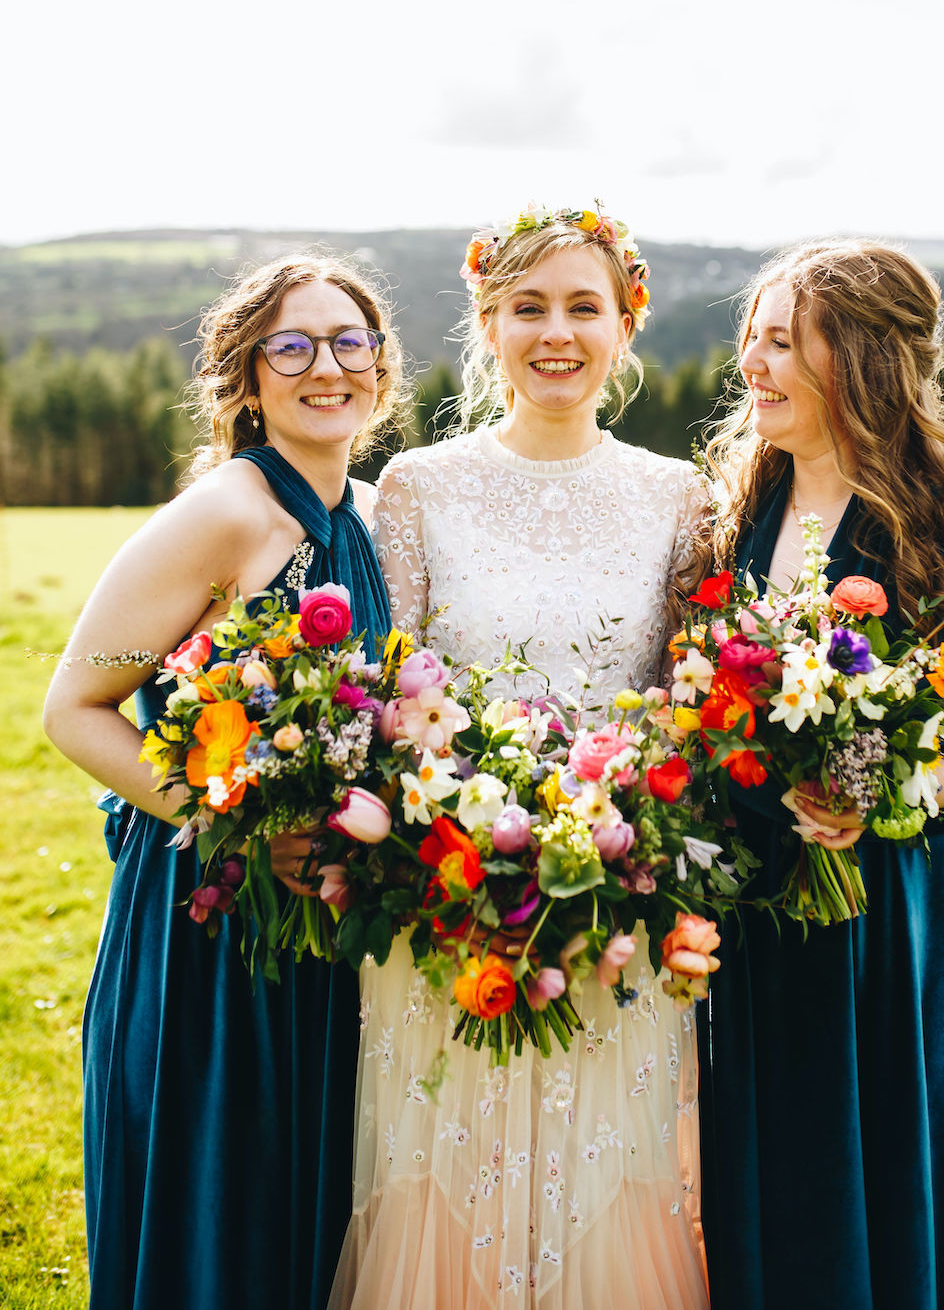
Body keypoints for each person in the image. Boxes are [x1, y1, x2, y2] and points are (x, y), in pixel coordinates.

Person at [329, 206, 711, 1310]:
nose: (556, 331)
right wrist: (449, 838)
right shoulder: (417, 485)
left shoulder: (675, 495)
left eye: (583, 306)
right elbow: (390, 698)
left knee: (610, 1164)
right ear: (487, 323)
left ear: (624, 324)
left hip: (614, 898)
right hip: (443, 900)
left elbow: (681, 706)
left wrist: (615, 830)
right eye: (527, 306)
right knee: (443, 1166)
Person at [695, 239, 944, 1310]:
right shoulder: (729, 520)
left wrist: (911, 787)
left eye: (781, 339)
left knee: (914, 1169)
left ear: (860, 357)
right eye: (751, 336)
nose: (750, 362)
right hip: (766, 910)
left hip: (915, 920)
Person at [42, 255, 403, 1310]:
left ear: (380, 365)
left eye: (349, 341)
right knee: (225, 1216)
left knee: (320, 1211)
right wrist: (235, 824)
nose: (324, 365)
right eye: (290, 345)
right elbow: (75, 705)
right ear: (245, 376)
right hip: (210, 930)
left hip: (335, 937)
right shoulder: (223, 514)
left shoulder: (378, 515)